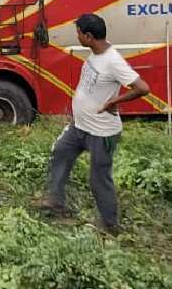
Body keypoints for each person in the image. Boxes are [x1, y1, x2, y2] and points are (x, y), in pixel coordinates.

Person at [41, 14, 150, 234]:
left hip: (102, 132)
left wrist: (115, 101)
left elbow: (142, 87)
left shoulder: (113, 61)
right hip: (79, 126)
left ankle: (110, 226)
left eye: (79, 33)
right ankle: (55, 202)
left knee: (99, 179)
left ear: (89, 36)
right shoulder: (96, 53)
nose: (78, 36)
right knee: (60, 153)